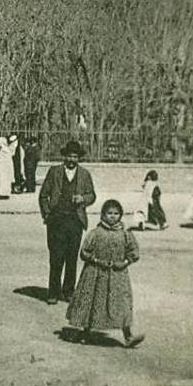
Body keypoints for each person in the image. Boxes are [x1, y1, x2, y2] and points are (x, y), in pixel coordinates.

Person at [65, 200, 144, 348]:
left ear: (120, 215)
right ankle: (86, 332)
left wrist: (125, 262)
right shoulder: (95, 233)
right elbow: (84, 252)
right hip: (95, 274)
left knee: (122, 304)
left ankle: (128, 336)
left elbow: (134, 252)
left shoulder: (125, 234)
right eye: (109, 213)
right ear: (103, 215)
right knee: (92, 302)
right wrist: (95, 260)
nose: (113, 217)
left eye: (116, 214)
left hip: (117, 276)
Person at [38, 141, 96, 305]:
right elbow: (43, 195)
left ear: (79, 158)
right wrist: (48, 214)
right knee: (56, 257)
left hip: (75, 220)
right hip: (56, 221)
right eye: (69, 156)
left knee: (72, 257)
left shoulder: (84, 174)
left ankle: (69, 292)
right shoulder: (54, 172)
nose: (72, 159)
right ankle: (53, 292)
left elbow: (92, 195)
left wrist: (82, 199)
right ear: (64, 156)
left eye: (75, 156)